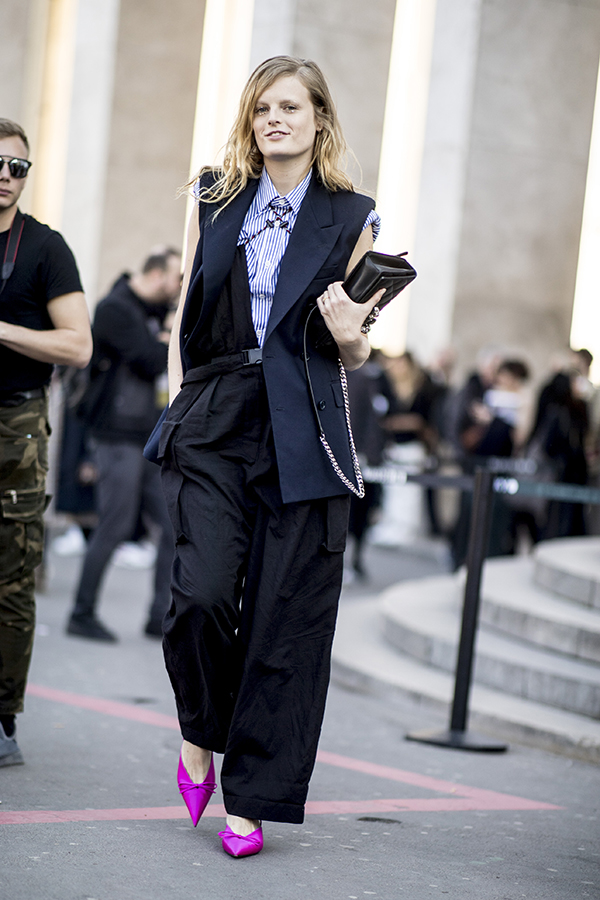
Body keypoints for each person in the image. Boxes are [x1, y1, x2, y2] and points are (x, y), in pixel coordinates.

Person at [156, 56, 383, 858]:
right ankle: (197, 736)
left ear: (319, 119)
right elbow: (186, 317)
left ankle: (248, 798)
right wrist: (179, 406)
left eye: (290, 107)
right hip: (217, 413)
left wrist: (354, 336)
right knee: (201, 595)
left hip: (303, 424)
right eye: (262, 109)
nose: (274, 120)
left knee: (283, 623)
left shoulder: (353, 215)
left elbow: (351, 349)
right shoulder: (213, 198)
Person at [0, 118, 92, 766]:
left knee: (8, 577)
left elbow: (78, 345)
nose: (6, 177)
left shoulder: (45, 248)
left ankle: (1, 716)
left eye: (18, 168)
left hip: (15, 425)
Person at [65, 248, 180, 642]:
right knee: (113, 526)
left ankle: (158, 618)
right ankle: (81, 613)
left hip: (145, 438)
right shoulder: (115, 308)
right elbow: (150, 360)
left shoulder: (150, 313)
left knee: (171, 525)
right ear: (155, 274)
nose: (179, 287)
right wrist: (168, 337)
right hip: (115, 436)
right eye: (175, 278)